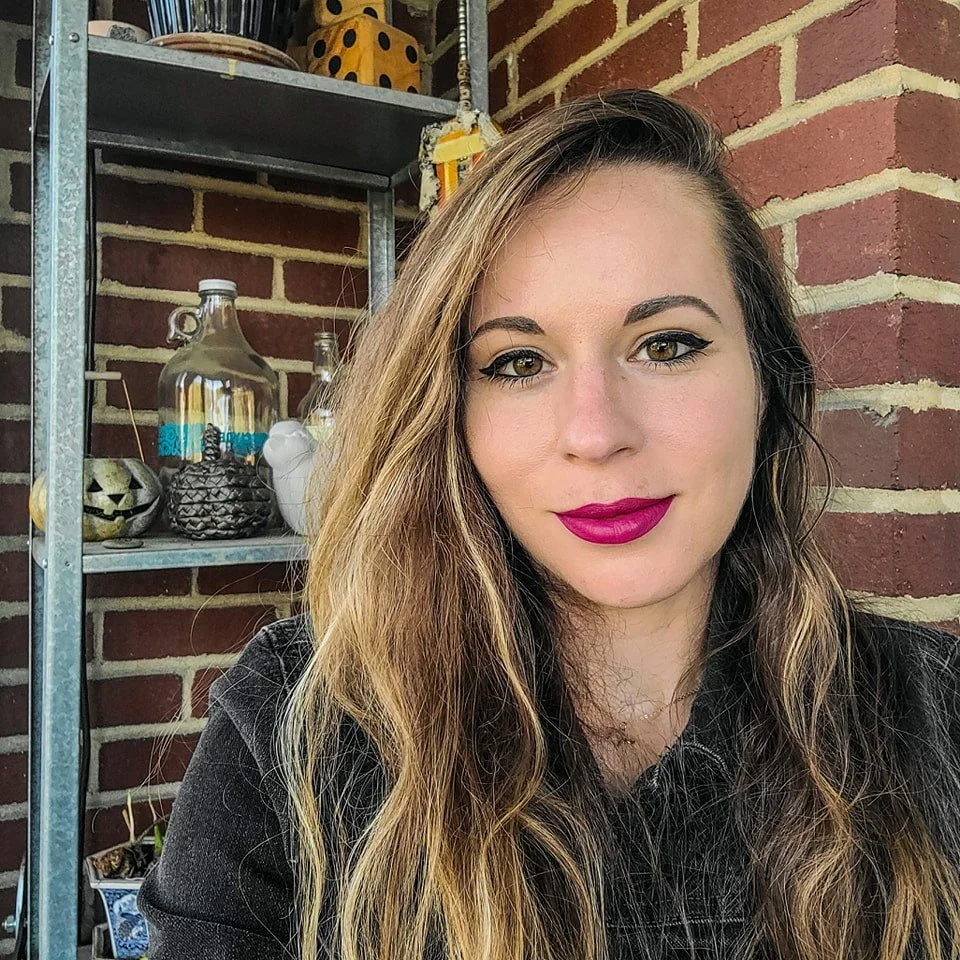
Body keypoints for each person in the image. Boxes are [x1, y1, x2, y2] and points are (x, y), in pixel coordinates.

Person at [138, 88, 960, 960]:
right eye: (519, 362)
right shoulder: (298, 727)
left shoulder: (932, 711)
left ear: (770, 384)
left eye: (668, 344)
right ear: (448, 413)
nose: (597, 435)